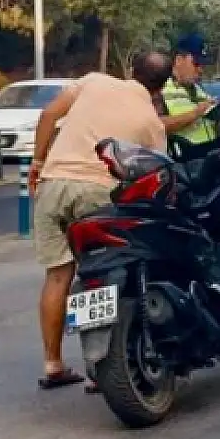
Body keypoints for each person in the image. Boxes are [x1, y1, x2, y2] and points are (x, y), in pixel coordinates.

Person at [27, 52, 171, 389]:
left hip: (53, 185)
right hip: (98, 194)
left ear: (129, 70)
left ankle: (53, 364)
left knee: (58, 276)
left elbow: (48, 115)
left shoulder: (93, 81)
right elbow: (158, 169)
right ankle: (103, 369)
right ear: (161, 86)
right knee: (104, 275)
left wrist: (37, 163)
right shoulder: (151, 121)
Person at [160, 33, 219, 159]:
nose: (200, 70)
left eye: (203, 65)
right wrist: (196, 113)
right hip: (182, 166)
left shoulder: (199, 90)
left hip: (207, 162)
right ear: (179, 60)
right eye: (196, 64)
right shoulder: (161, 88)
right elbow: (158, 126)